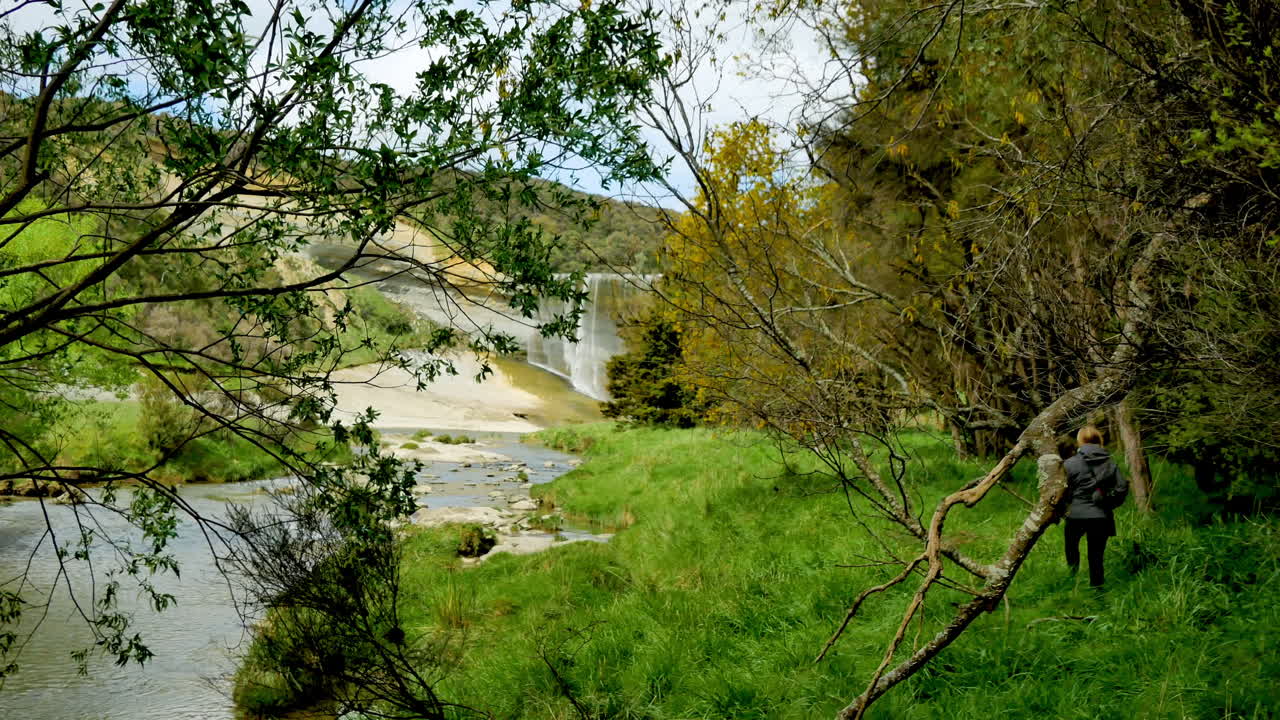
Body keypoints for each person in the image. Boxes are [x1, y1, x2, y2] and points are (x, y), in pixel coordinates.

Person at [1063, 425, 1128, 587]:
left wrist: (1066, 507)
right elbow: (1122, 488)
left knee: (1071, 549)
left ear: (1080, 441)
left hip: (1075, 515)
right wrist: (1108, 504)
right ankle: (1097, 589)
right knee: (1096, 556)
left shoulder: (1069, 464)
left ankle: (1071, 582)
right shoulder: (1110, 463)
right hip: (1101, 516)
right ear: (1099, 440)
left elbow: (1062, 490)